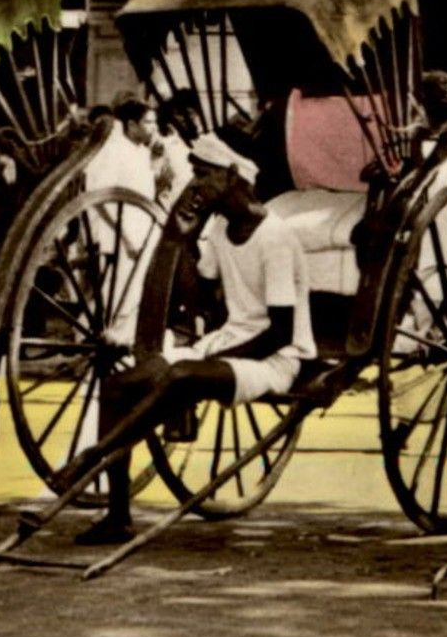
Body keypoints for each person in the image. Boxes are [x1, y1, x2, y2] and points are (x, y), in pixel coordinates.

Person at [55, 133, 314, 544]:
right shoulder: (224, 231)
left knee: (181, 377)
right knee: (117, 387)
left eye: (202, 176)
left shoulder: (275, 237)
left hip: (275, 359)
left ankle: (92, 455)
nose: (194, 186)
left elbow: (280, 332)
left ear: (231, 177)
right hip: (226, 346)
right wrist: (180, 236)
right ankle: (118, 515)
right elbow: (198, 294)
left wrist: (209, 357)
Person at [154, 90, 202, 207]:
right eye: (180, 114)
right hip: (169, 207)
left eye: (191, 113)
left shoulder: (199, 144)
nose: (186, 118)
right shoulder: (164, 144)